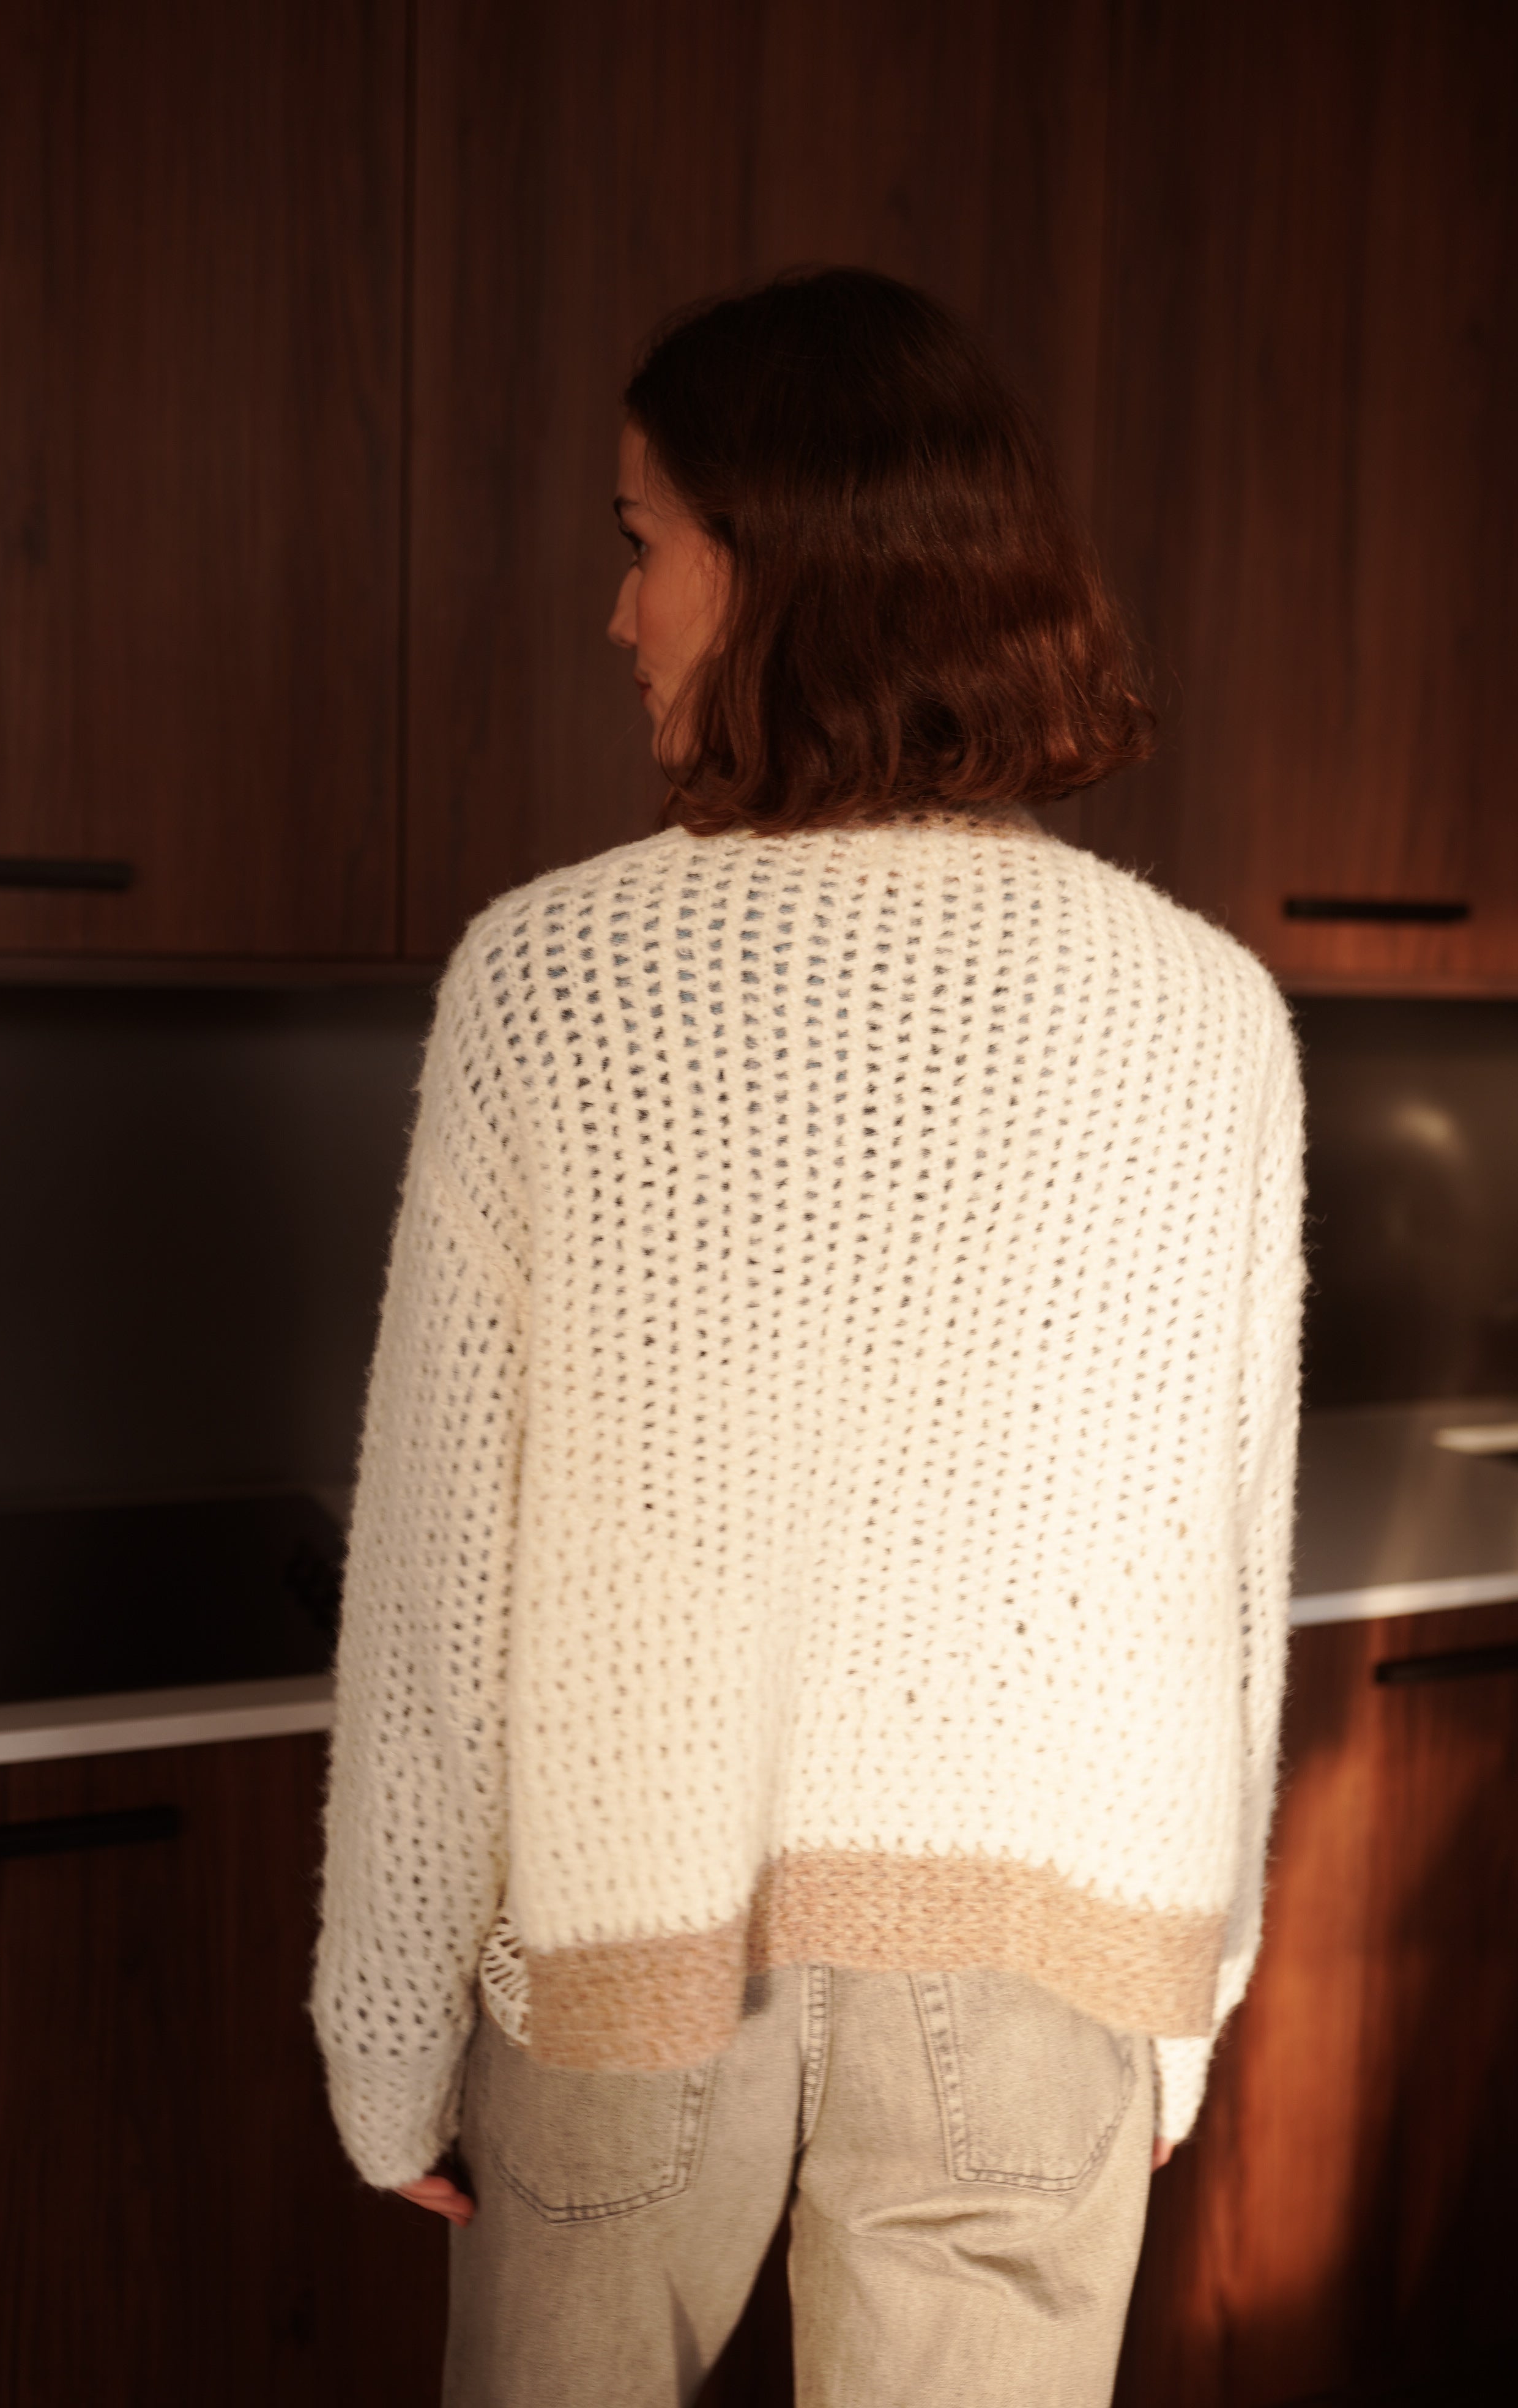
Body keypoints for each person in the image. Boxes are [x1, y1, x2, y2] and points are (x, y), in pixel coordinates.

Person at [311, 268, 1305, 2408]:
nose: (621, 615)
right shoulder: (1206, 1007)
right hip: (1044, 1970)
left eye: (640, 542)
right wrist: (1193, 1994)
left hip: (632, 1932)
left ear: (771, 562)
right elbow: (1228, 1565)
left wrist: (384, 2026)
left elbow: (441, 1582)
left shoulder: (553, 980)